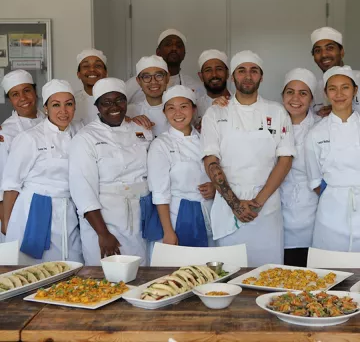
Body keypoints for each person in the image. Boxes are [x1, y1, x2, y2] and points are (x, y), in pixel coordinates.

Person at [201, 50, 295, 267]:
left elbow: (285, 160)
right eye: (241, 71)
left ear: (261, 77)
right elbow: (210, 161)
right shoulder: (215, 114)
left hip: (267, 208)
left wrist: (258, 202)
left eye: (254, 71)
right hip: (227, 207)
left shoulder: (277, 111)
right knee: (229, 275)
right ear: (232, 77)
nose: (248, 76)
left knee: (269, 275)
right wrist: (235, 204)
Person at [69, 78, 153, 266]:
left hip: (141, 216)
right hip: (105, 218)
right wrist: (103, 233)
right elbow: (83, 191)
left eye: (119, 100)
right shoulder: (85, 138)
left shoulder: (141, 130)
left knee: (142, 273)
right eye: (106, 102)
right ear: (97, 106)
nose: (114, 106)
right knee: (107, 278)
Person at [2, 79, 83, 263]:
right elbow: (11, 185)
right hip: (35, 209)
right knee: (37, 267)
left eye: (68, 104)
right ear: (46, 108)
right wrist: (6, 223)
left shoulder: (81, 132)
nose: (63, 111)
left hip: (69, 208)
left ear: (75, 107)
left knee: (71, 262)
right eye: (56, 105)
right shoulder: (29, 138)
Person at [147, 85, 216, 252]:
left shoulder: (206, 139)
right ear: (164, 113)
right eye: (171, 108)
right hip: (176, 217)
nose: (177, 113)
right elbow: (159, 193)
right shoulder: (161, 144)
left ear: (194, 109)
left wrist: (215, 188)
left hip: (207, 214)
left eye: (183, 107)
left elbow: (218, 172)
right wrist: (168, 232)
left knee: (206, 269)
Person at [305, 65, 360, 252]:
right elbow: (314, 180)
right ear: (326, 94)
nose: (339, 93)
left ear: (355, 90)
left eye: (345, 87)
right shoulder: (315, 133)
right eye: (332, 88)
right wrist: (337, 197)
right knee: (331, 269)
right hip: (331, 214)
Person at [280, 68, 320, 267]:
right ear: (282, 96)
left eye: (303, 93)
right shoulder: (270, 124)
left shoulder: (321, 128)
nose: (295, 98)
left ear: (312, 99)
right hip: (276, 216)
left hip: (312, 215)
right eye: (290, 92)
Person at [0, 70, 45, 242]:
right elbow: (2, 182)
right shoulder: (5, 132)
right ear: (10, 100)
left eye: (27, 90)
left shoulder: (51, 121)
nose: (23, 98)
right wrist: (5, 221)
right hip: (17, 207)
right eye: (15, 94)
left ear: (35, 91)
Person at [126, 29, 205, 105]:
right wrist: (128, 118)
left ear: (184, 53)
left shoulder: (195, 86)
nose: (174, 48)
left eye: (179, 45)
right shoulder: (136, 83)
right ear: (158, 52)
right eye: (168, 44)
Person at [310, 27, 360, 117]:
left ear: (342, 52)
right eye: (317, 51)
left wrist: (343, 110)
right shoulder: (314, 89)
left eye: (330, 48)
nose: (324, 54)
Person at [127, 55, 170, 137]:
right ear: (138, 81)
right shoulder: (129, 112)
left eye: (159, 75)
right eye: (146, 77)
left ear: (167, 78)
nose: (153, 81)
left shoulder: (180, 111)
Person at [196, 49, 231, 129]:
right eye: (208, 70)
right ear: (201, 76)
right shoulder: (195, 107)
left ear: (227, 73)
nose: (214, 74)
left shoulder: (239, 103)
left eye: (219, 69)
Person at [74, 48, 108, 125]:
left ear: (106, 73)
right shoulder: (71, 103)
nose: (92, 69)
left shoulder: (118, 102)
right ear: (78, 74)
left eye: (98, 65)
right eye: (86, 66)